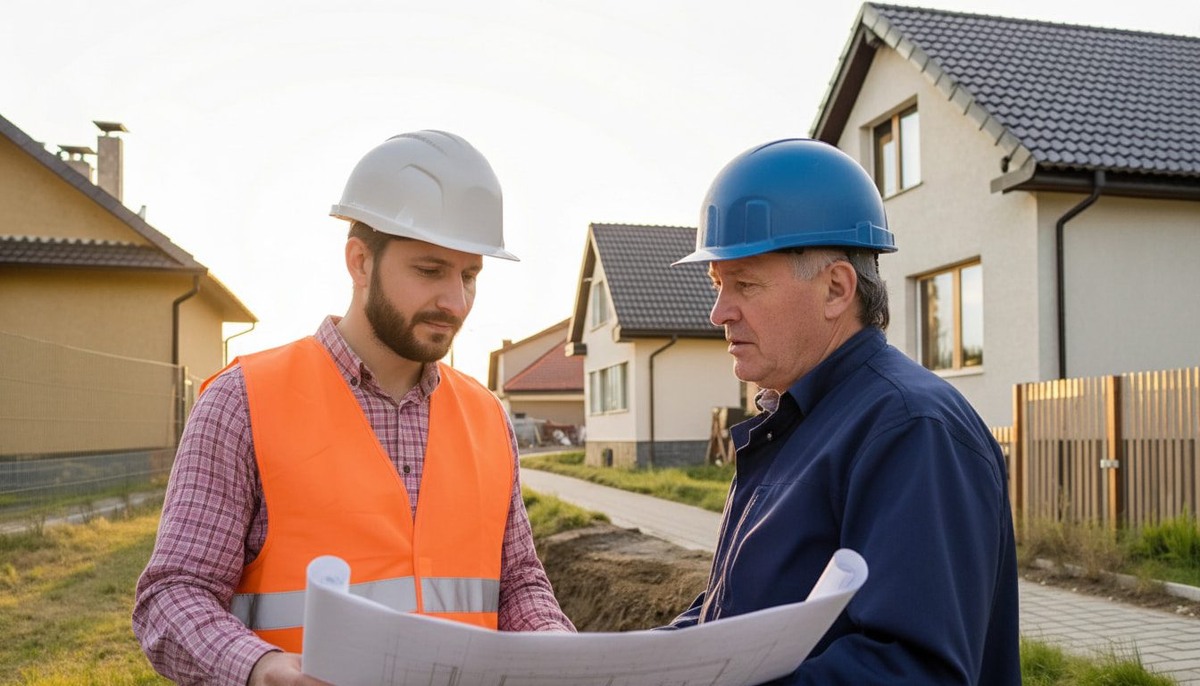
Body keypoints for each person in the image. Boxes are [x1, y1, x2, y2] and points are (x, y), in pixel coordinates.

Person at [133, 130, 575, 686]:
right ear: (360, 261)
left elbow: (518, 584)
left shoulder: (487, 416)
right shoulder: (242, 402)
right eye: (430, 270)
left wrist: (557, 650)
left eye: (469, 276)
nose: (456, 302)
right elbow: (172, 596)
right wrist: (263, 669)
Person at [666, 138, 1020, 684]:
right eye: (717, 286)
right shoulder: (800, 421)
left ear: (836, 288)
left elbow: (914, 671)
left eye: (745, 284)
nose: (718, 312)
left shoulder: (911, 430)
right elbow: (735, 614)